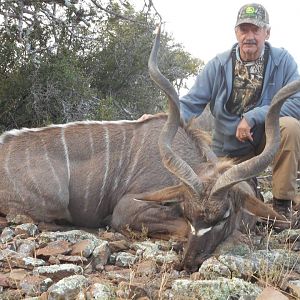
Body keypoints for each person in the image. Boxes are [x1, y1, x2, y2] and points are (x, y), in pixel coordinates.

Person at [179, 3, 300, 220]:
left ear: (267, 32)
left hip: (267, 143)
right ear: (236, 32)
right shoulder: (218, 65)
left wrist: (254, 117)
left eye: (256, 29)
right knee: (218, 202)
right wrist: (163, 119)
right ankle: (252, 190)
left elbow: (297, 101)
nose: (250, 36)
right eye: (244, 30)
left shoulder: (283, 61)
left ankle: (282, 205)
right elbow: (190, 104)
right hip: (229, 151)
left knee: (290, 127)